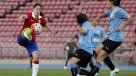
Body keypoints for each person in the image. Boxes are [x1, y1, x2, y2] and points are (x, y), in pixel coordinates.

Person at [88, 0, 133, 76]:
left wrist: (121, 27)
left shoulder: (119, 10)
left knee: (100, 56)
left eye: (108, 2)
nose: (107, 3)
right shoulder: (111, 11)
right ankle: (113, 69)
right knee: (96, 52)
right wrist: (98, 17)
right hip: (111, 37)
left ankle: (94, 73)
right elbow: (105, 14)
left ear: (111, 2)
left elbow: (131, 19)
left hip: (116, 38)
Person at [17, 3, 56, 76]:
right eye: (36, 9)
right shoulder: (29, 15)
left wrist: (52, 31)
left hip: (31, 41)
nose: (38, 10)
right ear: (33, 9)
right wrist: (21, 17)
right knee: (27, 31)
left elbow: (46, 24)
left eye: (39, 9)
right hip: (21, 39)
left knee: (36, 56)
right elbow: (24, 16)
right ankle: (27, 34)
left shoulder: (41, 19)